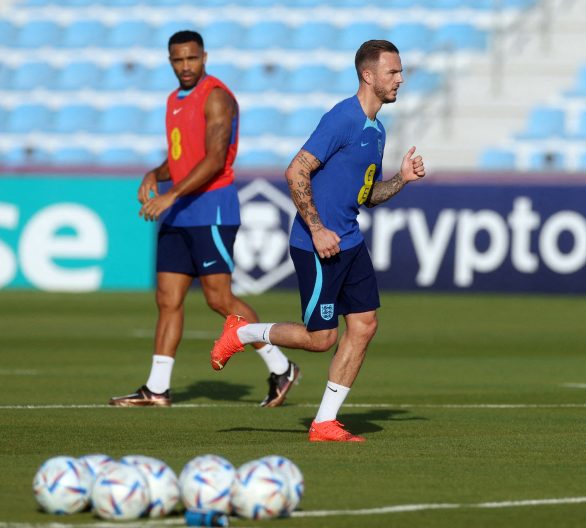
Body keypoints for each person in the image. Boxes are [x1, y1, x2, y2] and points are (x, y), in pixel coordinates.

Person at [210, 40, 425, 442]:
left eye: (400, 71)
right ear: (368, 75)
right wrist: (317, 228)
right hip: (317, 245)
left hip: (349, 241)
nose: (400, 79)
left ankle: (325, 422)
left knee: (364, 325)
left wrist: (401, 180)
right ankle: (242, 333)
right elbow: (295, 172)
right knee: (321, 339)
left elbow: (367, 195)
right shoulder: (342, 118)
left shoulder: (377, 129)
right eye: (393, 72)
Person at [110, 30, 299, 408]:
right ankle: (158, 388)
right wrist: (156, 173)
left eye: (191, 58)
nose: (185, 66)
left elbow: (213, 160)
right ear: (169, 61)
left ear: (204, 57)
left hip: (210, 209)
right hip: (179, 211)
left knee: (218, 298)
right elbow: (183, 158)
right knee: (167, 299)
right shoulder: (174, 100)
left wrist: (171, 194)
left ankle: (281, 368)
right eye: (178, 60)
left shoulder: (217, 98)